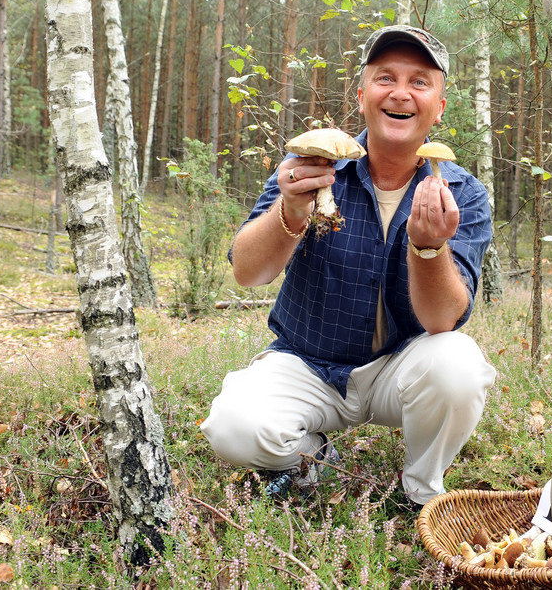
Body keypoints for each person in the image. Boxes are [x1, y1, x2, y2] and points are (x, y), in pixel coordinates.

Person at [201, 25, 496, 510]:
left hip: (401, 367)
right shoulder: (312, 168)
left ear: (439, 107)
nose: (400, 93)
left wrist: (427, 249)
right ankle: (309, 457)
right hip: (309, 362)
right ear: (362, 96)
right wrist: (289, 213)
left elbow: (443, 320)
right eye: (386, 78)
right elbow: (248, 272)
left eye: (420, 82)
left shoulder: (462, 194)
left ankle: (422, 495)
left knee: (458, 365)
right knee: (233, 426)